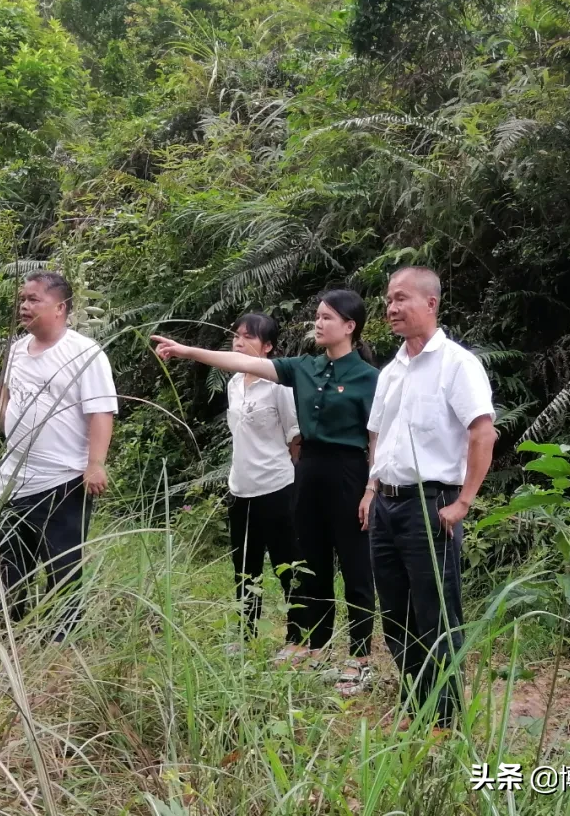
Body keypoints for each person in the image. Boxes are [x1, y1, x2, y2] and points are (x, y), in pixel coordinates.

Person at [153, 290, 380, 696]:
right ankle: (316, 645)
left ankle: (361, 656)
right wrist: (189, 351)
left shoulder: (369, 378)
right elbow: (244, 362)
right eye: (317, 315)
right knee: (313, 566)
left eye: (327, 317)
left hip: (348, 472)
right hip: (308, 473)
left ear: (350, 326)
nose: (319, 323)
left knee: (356, 566)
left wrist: (370, 488)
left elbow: (376, 436)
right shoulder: (304, 368)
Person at [359, 266, 496, 729]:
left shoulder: (458, 364)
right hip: (386, 505)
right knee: (395, 614)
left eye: (401, 299)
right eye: (388, 301)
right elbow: (378, 433)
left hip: (431, 504)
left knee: (436, 615)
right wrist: (372, 488)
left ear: (431, 303)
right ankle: (415, 704)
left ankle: (444, 719)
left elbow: (482, 432)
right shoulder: (391, 371)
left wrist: (463, 503)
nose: (391, 308)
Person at [0, 270, 118, 640]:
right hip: (13, 479)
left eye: (34, 299)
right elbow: (4, 395)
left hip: (63, 480)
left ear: (60, 307)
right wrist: (6, 424)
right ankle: (11, 635)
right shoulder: (16, 349)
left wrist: (95, 464)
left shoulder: (84, 353)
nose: (24, 306)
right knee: (10, 564)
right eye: (22, 299)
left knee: (62, 565)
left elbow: (101, 411)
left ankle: (58, 644)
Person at [224, 313, 301, 651]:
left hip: (276, 487)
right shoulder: (233, 384)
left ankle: (297, 636)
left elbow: (294, 437)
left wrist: (289, 480)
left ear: (268, 346)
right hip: (240, 488)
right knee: (244, 566)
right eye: (236, 337)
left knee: (287, 565)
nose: (239, 343)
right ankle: (246, 634)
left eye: (249, 337)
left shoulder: (279, 385)